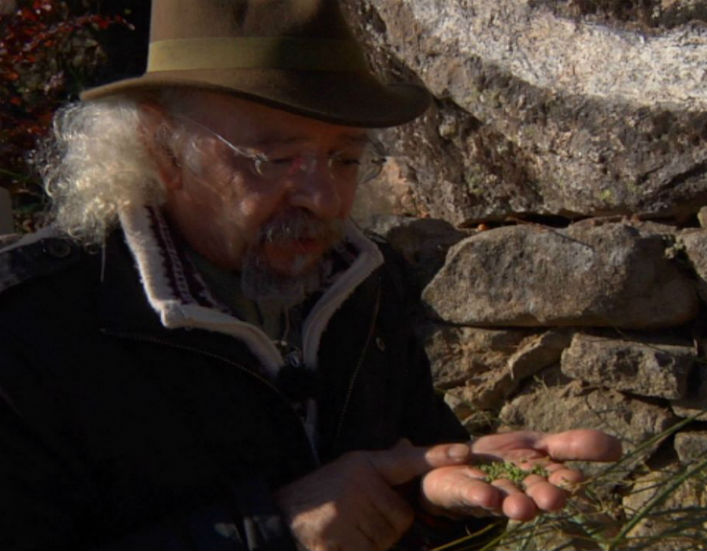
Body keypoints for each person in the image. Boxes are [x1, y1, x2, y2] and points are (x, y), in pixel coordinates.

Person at [0, 1, 622, 550]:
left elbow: (410, 470)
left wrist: (436, 500)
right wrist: (281, 532)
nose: (324, 199)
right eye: (274, 159)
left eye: (344, 157)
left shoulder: (359, 283)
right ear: (162, 148)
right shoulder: (28, 328)